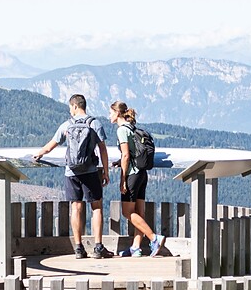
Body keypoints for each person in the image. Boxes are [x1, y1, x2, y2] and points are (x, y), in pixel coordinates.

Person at [32, 94, 113, 258]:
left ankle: (78, 248)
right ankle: (98, 247)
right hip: (90, 171)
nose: (70, 110)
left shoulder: (66, 125)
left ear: (75, 106)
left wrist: (38, 154)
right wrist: (105, 171)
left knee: (76, 208)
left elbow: (50, 145)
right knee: (96, 207)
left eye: (70, 107)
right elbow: (103, 149)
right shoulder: (94, 123)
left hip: (71, 172)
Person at [109, 102, 167, 258]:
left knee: (127, 213)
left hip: (132, 175)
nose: (109, 116)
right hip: (142, 174)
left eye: (111, 113)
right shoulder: (133, 128)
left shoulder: (122, 130)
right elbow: (131, 154)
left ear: (117, 113)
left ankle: (154, 238)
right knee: (139, 212)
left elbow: (126, 155)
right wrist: (119, 161)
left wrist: (122, 179)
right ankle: (136, 247)